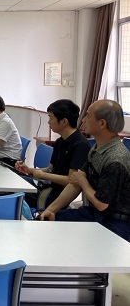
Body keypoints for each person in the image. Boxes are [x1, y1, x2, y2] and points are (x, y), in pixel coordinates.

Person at [40, 100, 130, 242]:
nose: (83, 120)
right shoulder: (96, 149)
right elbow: (75, 183)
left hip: (113, 223)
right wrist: (50, 210)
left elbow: (101, 204)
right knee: (44, 221)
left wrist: (83, 182)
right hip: (94, 214)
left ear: (102, 123)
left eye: (88, 115)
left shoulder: (115, 159)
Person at [15, 99, 90, 210]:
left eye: (51, 118)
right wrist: (29, 170)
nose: (48, 122)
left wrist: (42, 175)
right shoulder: (60, 141)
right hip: (46, 185)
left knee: (13, 191)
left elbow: (71, 180)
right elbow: (50, 169)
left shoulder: (80, 145)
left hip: (54, 195)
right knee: (16, 180)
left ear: (64, 121)